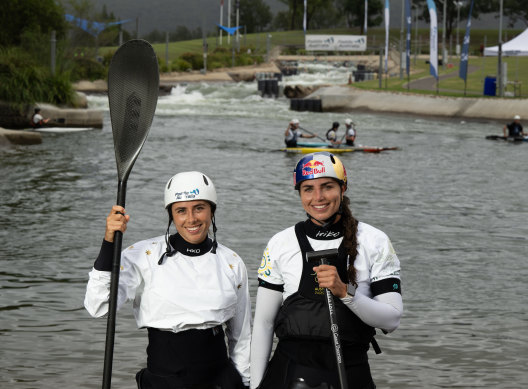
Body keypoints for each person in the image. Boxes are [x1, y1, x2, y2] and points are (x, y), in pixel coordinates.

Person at [84, 171, 251, 389]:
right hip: (163, 379)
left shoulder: (232, 262)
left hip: (220, 381)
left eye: (199, 208)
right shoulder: (143, 255)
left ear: (212, 210)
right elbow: (99, 307)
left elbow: (242, 336)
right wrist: (108, 243)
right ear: (171, 215)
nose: (191, 219)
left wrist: (247, 383)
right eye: (181, 210)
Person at [250, 152, 403, 389]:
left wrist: (345, 294)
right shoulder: (280, 243)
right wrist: (256, 386)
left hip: (350, 371)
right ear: (299, 193)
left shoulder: (374, 241)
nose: (318, 197)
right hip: (288, 373)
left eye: (327, 186)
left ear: (343, 187)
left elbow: (391, 320)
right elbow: (263, 324)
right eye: (308, 189)